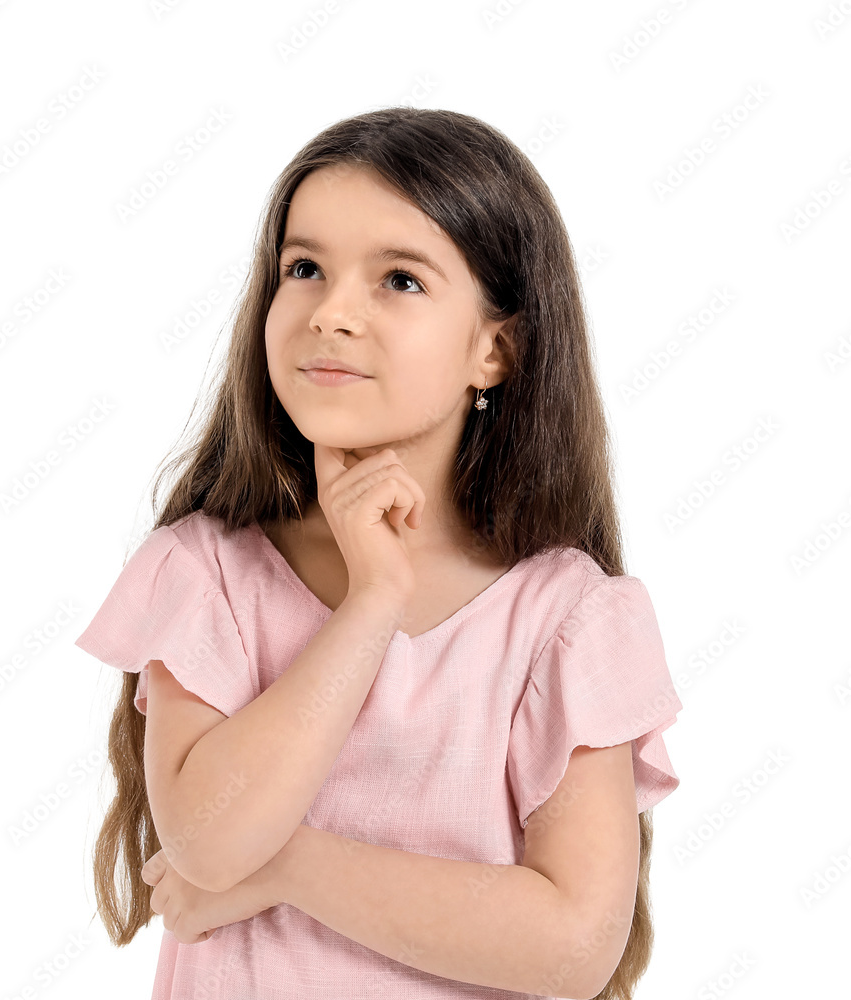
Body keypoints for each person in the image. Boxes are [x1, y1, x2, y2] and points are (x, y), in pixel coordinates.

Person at [75, 106, 683, 1000]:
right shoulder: (204, 578)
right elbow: (208, 840)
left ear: (495, 348)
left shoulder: (567, 619)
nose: (332, 313)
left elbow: (573, 944)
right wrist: (369, 604)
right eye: (305, 268)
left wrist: (288, 870)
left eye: (399, 280)